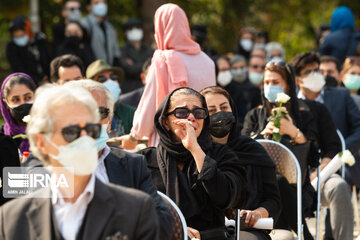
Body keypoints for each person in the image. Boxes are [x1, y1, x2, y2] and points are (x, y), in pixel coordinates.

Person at [0, 84, 158, 240]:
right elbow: (16, 183)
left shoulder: (136, 207)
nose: (85, 140)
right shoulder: (11, 220)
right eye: (72, 132)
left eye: (91, 130)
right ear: (42, 142)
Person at [140, 87, 246, 240]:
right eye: (181, 113)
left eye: (198, 113)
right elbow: (131, 209)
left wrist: (195, 149)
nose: (191, 118)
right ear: (166, 122)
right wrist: (176, 227)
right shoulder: (144, 160)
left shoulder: (222, 155)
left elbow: (227, 197)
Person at [241, 60, 321, 239]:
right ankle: (305, 235)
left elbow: (315, 156)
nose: (270, 86)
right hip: (258, 189)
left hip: (297, 188)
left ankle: (304, 234)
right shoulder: (254, 116)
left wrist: (295, 134)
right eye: (267, 82)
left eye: (276, 82)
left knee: (279, 180)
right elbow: (241, 151)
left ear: (288, 85)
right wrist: (262, 136)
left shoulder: (304, 115)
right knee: (275, 180)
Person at [118, 3, 216, 149]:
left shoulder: (163, 59)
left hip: (170, 139)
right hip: (202, 139)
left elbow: (150, 103)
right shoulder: (207, 61)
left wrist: (135, 135)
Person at [201, 86, 281, 240]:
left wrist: (258, 213)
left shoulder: (252, 149)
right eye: (211, 111)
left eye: (224, 107)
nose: (220, 113)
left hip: (249, 229)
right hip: (207, 230)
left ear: (233, 110)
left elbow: (273, 200)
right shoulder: (197, 153)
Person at [291, 52, 356, 240]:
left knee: (339, 187)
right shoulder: (284, 107)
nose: (316, 75)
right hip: (291, 179)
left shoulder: (325, 107)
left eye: (317, 71)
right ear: (297, 79)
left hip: (322, 174)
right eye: (309, 72)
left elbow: (333, 146)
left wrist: (321, 170)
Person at [6, 16, 50, 85]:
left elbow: (47, 59)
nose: (19, 36)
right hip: (27, 82)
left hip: (47, 80)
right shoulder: (12, 47)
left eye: (22, 33)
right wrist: (37, 81)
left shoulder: (39, 40)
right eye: (16, 34)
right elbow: (18, 68)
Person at [0, 73, 36, 154]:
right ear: (6, 103)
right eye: (16, 100)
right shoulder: (3, 138)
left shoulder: (51, 129)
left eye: (28, 98)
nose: (23, 103)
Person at [81, 0, 120, 65]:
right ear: (88, 7)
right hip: (92, 69)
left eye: (104, 2)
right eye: (96, 3)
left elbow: (115, 51)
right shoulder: (84, 25)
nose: (101, 5)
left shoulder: (109, 26)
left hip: (108, 69)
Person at [120, 18, 154, 93]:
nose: (135, 30)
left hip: (147, 89)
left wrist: (135, 66)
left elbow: (153, 66)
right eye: (131, 29)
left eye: (138, 28)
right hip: (129, 91)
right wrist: (146, 65)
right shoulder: (121, 51)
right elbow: (129, 69)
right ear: (125, 32)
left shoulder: (149, 50)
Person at [215, 55, 248, 125]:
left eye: (227, 69)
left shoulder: (237, 89)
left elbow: (242, 115)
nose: (226, 72)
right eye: (223, 70)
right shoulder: (209, 90)